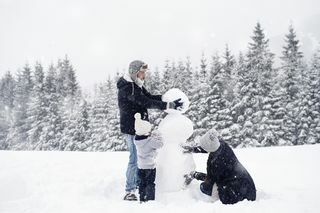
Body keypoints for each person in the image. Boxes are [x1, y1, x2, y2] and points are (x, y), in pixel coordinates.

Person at [117, 60, 183, 201]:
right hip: (131, 129)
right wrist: (166, 105)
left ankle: (137, 184)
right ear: (134, 73)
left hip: (139, 128)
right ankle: (129, 190)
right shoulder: (128, 88)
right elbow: (145, 102)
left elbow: (149, 97)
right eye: (142, 72)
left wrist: (166, 99)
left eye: (144, 72)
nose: (144, 75)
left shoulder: (137, 86)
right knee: (135, 159)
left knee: (140, 158)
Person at [183, 128, 256, 204]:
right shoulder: (221, 145)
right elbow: (209, 147)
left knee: (207, 188)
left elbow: (209, 182)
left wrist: (195, 175)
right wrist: (193, 149)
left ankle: (218, 206)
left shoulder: (218, 164)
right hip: (247, 184)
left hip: (240, 194)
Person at [133, 113, 163, 202]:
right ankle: (150, 200)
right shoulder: (149, 141)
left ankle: (142, 198)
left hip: (140, 166)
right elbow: (160, 144)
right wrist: (158, 135)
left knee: (142, 183)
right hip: (150, 166)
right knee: (150, 183)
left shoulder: (137, 140)